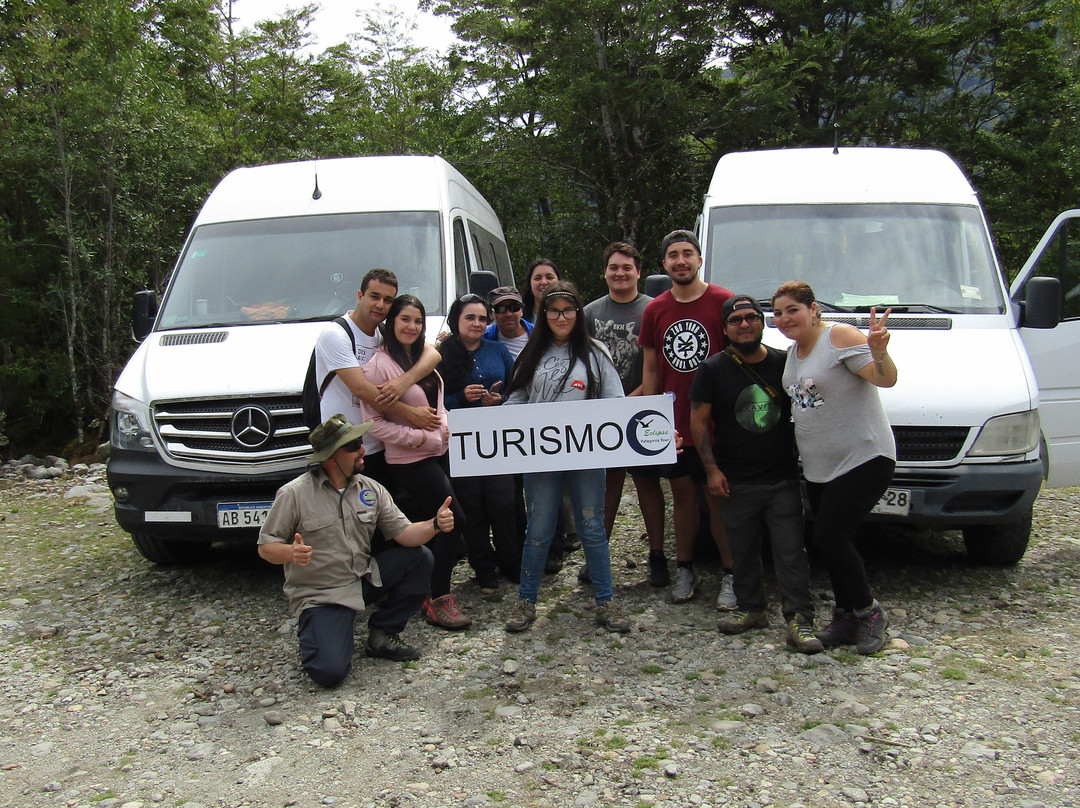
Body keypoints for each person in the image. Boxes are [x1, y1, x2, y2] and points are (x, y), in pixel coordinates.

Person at [258, 414, 455, 687]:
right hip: (323, 594)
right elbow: (266, 547)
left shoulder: (370, 488)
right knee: (330, 673)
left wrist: (435, 524)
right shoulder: (294, 494)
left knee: (420, 558)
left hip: (362, 578)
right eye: (353, 446)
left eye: (361, 442)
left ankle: (383, 634)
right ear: (330, 457)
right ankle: (322, 630)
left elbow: (406, 534)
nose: (363, 450)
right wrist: (291, 552)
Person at [689, 295, 823, 654]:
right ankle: (752, 610)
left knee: (791, 552)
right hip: (735, 477)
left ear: (762, 322)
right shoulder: (713, 368)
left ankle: (800, 620)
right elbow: (698, 421)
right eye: (736, 320)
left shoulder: (784, 363)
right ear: (725, 328)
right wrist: (712, 469)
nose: (744, 325)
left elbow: (811, 405)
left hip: (781, 476)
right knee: (742, 550)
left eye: (751, 318)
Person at [771, 280, 897, 655]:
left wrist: (878, 352)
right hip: (819, 467)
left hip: (863, 456)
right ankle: (844, 618)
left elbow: (885, 379)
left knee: (829, 536)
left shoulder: (838, 337)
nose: (784, 318)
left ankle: (868, 612)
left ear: (813, 309)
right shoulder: (794, 352)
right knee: (834, 539)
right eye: (778, 313)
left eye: (793, 309)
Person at [503, 281, 631, 634]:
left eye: (568, 310)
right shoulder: (529, 354)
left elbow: (614, 403)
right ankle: (526, 601)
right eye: (554, 310)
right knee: (539, 529)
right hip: (540, 458)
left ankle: (606, 600)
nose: (562, 317)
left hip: (586, 456)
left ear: (578, 313)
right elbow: (514, 399)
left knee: (591, 527)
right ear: (544, 315)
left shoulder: (595, 353)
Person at [359, 295, 471, 631]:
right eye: (405, 319)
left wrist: (444, 428)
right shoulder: (378, 366)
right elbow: (373, 424)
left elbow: (438, 407)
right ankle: (438, 598)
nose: (412, 327)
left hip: (438, 452)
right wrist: (419, 436)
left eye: (418, 321)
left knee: (437, 525)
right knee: (453, 522)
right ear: (391, 322)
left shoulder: (420, 356)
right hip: (409, 460)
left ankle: (422, 589)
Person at [639, 230, 737, 607]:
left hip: (716, 424)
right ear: (664, 264)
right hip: (674, 422)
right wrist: (651, 422)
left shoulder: (724, 301)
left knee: (718, 498)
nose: (681, 261)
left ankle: (730, 574)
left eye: (687, 254)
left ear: (699, 259)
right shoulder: (656, 309)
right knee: (682, 496)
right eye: (673, 256)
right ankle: (685, 567)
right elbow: (651, 368)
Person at [580, 241, 669, 587]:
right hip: (603, 413)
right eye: (614, 267)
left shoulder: (654, 309)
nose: (620, 273)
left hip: (643, 409)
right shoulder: (589, 312)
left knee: (647, 483)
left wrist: (627, 402)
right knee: (608, 484)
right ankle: (597, 556)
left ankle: (658, 556)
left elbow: (658, 365)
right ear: (605, 271)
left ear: (638, 272)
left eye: (627, 268)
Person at [314, 268, 441, 485]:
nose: (381, 305)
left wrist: (404, 381)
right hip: (344, 448)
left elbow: (433, 354)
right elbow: (362, 390)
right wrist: (412, 414)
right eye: (375, 297)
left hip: (380, 445)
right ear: (360, 296)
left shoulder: (382, 333)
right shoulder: (336, 335)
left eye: (388, 300)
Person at [440, 294, 521, 588]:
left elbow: (518, 389)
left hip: (497, 436)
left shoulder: (498, 351)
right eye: (469, 317)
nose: (477, 323)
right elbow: (433, 401)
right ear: (456, 321)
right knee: (471, 505)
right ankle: (483, 566)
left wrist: (500, 399)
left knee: (503, 501)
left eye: (482, 318)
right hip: (460, 440)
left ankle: (511, 561)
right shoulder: (442, 354)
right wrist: (461, 398)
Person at [484, 285, 533, 359]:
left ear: (522, 310)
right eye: (501, 309)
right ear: (491, 314)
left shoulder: (539, 334)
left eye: (514, 308)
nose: (508, 314)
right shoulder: (483, 338)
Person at [521, 259, 561, 324]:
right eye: (538, 278)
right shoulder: (519, 318)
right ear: (530, 284)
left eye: (549, 277)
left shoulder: (570, 316)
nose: (544, 282)